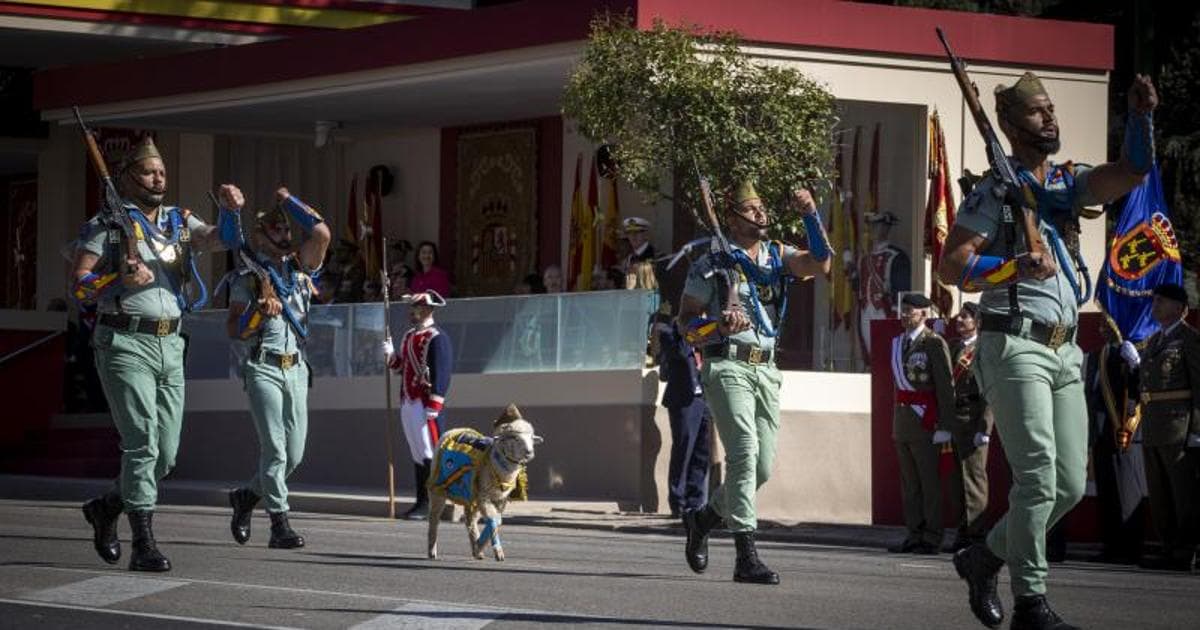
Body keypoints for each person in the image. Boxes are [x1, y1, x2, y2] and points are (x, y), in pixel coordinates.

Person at [937, 71, 1159, 629]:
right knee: (1036, 477)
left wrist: (1140, 118)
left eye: (1052, 108)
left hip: (1065, 351)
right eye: (1038, 112)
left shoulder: (1064, 184)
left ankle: (986, 555)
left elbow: (1129, 173)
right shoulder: (993, 193)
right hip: (1013, 344)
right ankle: (1030, 605)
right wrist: (1012, 266)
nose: (1051, 118)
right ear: (1010, 125)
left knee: (1064, 483)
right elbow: (953, 266)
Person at [74, 136, 234, 572]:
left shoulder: (179, 220)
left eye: (161, 172)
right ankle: (143, 541)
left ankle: (107, 506)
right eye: (148, 171)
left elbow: (218, 240)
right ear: (127, 177)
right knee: (142, 442)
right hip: (125, 341)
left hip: (171, 341)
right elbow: (81, 285)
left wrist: (231, 211)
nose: (157, 178)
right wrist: (118, 280)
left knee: (166, 454)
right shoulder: (108, 223)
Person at [677, 181, 831, 585]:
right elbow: (686, 322)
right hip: (727, 366)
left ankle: (703, 520)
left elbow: (821, 263)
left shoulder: (777, 256)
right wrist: (717, 324)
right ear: (732, 219)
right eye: (751, 209)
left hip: (766, 369)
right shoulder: (710, 263)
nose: (761, 214)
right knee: (744, 451)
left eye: (762, 207)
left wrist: (810, 214)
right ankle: (746, 556)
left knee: (759, 468)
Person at [225, 187, 331, 550]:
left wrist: (288, 202)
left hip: (297, 368)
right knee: (275, 450)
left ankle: (246, 497)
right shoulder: (247, 279)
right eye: (277, 229)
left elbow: (321, 233)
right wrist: (258, 309)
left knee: (295, 453)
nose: (286, 236)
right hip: (264, 367)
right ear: (259, 236)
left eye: (288, 230)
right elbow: (235, 331)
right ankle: (279, 524)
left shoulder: (299, 269)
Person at [1137, 282, 1199, 571]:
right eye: (1155, 300)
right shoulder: (1154, 341)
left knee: (1182, 492)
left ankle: (1186, 549)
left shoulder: (1189, 339)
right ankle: (1168, 546)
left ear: (1180, 308)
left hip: (1178, 425)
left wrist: (1196, 431)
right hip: (1153, 425)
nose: (1156, 304)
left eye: (1162, 301)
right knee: (1159, 491)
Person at [887, 292, 954, 555]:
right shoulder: (898, 342)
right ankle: (913, 534)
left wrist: (945, 425)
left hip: (926, 423)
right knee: (910, 485)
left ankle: (932, 536)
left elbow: (945, 387)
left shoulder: (933, 343)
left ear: (924, 315)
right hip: (903, 422)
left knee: (929, 485)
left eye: (910, 312)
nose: (905, 316)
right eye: (903, 311)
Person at [382, 289, 453, 520]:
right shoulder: (408, 336)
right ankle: (420, 501)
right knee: (415, 451)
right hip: (408, 400)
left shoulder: (437, 337)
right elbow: (401, 367)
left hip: (425, 403)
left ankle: (432, 503)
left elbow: (442, 373)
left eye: (417, 307)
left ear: (429, 310)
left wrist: (435, 403)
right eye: (412, 307)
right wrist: (391, 355)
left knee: (428, 451)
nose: (412, 311)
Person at [1083, 317, 1146, 565]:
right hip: (1101, 432)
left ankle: (1130, 548)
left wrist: (1135, 366)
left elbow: (1139, 390)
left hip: (1127, 430)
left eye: (1110, 324)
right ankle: (1110, 545)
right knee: (1107, 492)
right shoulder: (1096, 354)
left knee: (1128, 492)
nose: (1104, 329)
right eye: (1102, 325)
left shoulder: (1133, 353)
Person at [946, 302, 994, 553]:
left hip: (974, 418)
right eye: (959, 317)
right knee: (957, 480)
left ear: (977, 321)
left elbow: (989, 391)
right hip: (955, 420)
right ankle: (962, 531)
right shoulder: (955, 347)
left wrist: (985, 428)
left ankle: (977, 534)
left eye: (965, 317)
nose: (960, 320)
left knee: (974, 479)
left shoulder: (983, 349)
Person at [658, 320, 712, 519]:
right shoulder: (669, 334)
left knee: (702, 451)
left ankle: (695, 502)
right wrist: (685, 331)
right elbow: (680, 353)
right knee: (684, 448)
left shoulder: (705, 334)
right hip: (683, 400)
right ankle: (678, 502)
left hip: (703, 398)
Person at [857, 211, 910, 360]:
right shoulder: (864, 258)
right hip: (866, 310)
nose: (874, 230)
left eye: (878, 226)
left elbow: (902, 289)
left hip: (885, 310)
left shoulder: (896, 256)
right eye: (872, 226)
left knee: (886, 352)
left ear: (887, 229)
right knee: (870, 352)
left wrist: (895, 313)